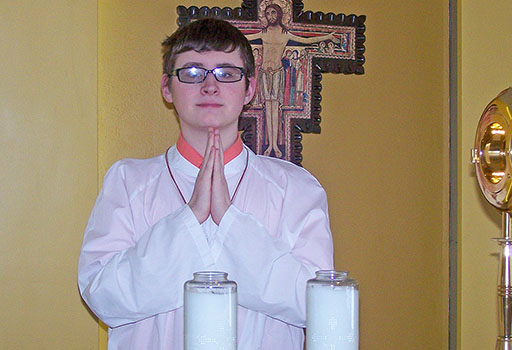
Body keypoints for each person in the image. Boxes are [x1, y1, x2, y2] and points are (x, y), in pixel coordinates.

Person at [78, 18, 334, 350]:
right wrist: (190, 218)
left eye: (227, 73)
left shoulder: (297, 189)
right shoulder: (128, 183)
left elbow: (316, 305)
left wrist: (231, 221)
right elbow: (103, 297)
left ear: (250, 90)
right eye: (192, 72)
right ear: (167, 89)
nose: (210, 86)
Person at [245, 2, 338, 157]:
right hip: (264, 73)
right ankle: (270, 146)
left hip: (277, 73)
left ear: (280, 15)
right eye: (268, 14)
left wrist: (327, 37)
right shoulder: (264, 33)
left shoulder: (285, 34)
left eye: (274, 13)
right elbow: (245, 37)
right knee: (268, 108)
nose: (271, 17)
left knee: (275, 108)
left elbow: (306, 40)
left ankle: (275, 146)